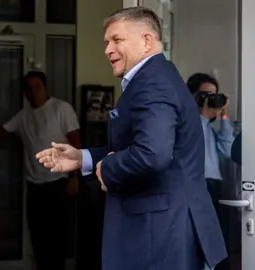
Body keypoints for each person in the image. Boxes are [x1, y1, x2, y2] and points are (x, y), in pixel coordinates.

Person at [35, 7, 227, 270]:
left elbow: (153, 153)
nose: (108, 50)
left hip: (158, 235)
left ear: (147, 41)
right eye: (106, 42)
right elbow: (140, 148)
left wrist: (107, 168)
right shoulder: (157, 77)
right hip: (162, 231)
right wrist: (82, 158)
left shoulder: (153, 82)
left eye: (117, 40)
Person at [0, 71, 81, 270]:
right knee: (38, 238)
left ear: (45, 88)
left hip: (58, 183)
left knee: (56, 240)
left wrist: (74, 177)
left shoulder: (61, 109)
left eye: (37, 86)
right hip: (35, 186)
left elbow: (76, 144)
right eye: (28, 88)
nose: (33, 91)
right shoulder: (24, 116)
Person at [187, 73, 235, 270]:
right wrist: (202, 116)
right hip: (196, 189)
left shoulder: (210, 128)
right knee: (200, 246)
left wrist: (223, 115)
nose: (209, 100)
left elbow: (228, 151)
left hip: (214, 189)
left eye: (213, 95)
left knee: (217, 247)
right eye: (204, 95)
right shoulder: (187, 125)